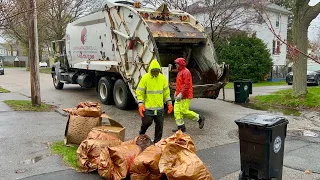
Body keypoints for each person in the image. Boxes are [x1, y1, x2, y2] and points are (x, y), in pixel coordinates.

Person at [136, 59, 173, 143]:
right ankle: (141, 135)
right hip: (148, 108)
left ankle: (157, 142)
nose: (155, 72)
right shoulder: (145, 78)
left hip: (159, 109)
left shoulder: (162, 78)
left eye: (157, 71)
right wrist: (141, 104)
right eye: (154, 71)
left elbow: (166, 93)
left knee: (159, 126)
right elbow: (139, 92)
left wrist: (169, 103)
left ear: (159, 70)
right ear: (150, 70)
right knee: (146, 123)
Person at [172, 57, 205, 132]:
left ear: (180, 64)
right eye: (175, 64)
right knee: (177, 111)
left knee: (184, 111)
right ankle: (181, 127)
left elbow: (186, 85)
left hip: (185, 95)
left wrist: (181, 93)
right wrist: (176, 92)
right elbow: (179, 84)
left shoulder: (186, 72)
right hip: (180, 94)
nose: (176, 65)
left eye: (177, 64)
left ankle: (199, 118)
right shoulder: (180, 71)